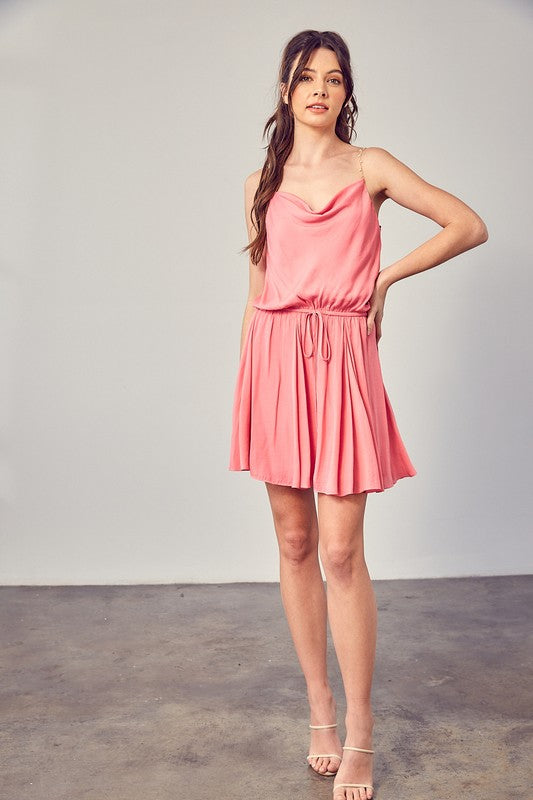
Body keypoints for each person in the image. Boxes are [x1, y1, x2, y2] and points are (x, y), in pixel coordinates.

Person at [228, 29, 488, 800]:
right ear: (285, 91)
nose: (318, 89)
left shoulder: (369, 166)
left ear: (347, 94)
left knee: (340, 553)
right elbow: (256, 293)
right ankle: (319, 716)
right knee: (294, 538)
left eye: (333, 79)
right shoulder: (258, 181)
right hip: (274, 360)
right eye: (305, 78)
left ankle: (363, 731)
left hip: (341, 363)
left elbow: (466, 224)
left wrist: (383, 279)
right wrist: (247, 387)